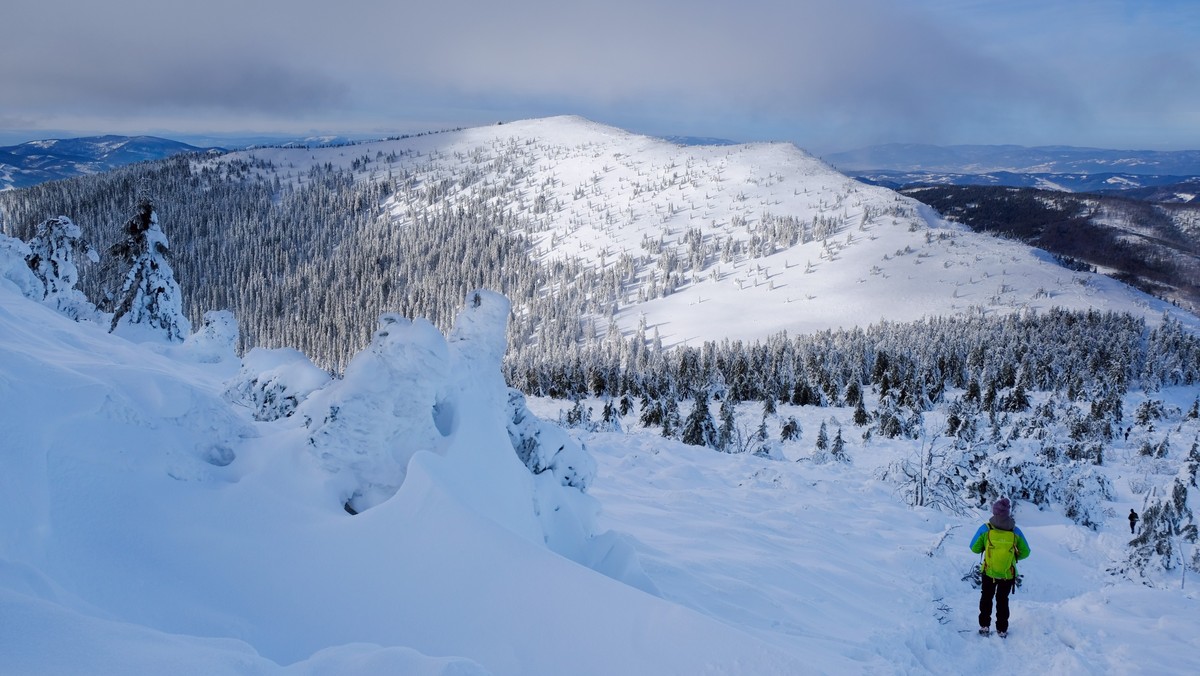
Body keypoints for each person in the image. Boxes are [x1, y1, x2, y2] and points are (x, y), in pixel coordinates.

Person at [970, 497, 1031, 637]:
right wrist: (1013, 557)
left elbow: (974, 548)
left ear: (994, 512)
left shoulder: (986, 528)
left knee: (986, 598)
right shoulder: (1015, 530)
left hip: (988, 572)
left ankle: (984, 626)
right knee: (1002, 601)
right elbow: (1026, 552)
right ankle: (1002, 630)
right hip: (1007, 574)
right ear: (1007, 513)